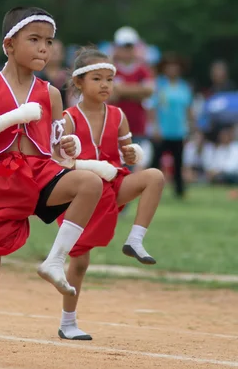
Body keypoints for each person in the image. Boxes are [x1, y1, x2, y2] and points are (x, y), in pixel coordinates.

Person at [0, 6, 104, 363]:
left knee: (89, 183)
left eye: (48, 42)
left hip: (39, 173)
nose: (43, 48)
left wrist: (69, 146)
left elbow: (55, 146)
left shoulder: (50, 93)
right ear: (9, 44)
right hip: (1, 178)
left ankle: (54, 261)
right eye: (34, 39)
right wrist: (13, 117)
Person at [55, 47, 164, 341]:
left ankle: (135, 240)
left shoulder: (118, 115)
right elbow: (58, 162)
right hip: (82, 194)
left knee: (154, 176)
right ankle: (68, 322)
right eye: (97, 79)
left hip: (113, 185)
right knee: (79, 263)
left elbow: (127, 157)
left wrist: (132, 153)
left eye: (110, 79)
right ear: (78, 82)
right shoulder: (68, 118)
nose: (105, 85)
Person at [150, 53, 193, 198]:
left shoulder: (184, 86)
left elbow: (188, 108)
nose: (172, 71)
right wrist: (155, 127)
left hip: (178, 131)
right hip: (162, 130)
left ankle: (179, 191)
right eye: (169, 68)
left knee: (178, 163)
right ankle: (149, 187)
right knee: (155, 162)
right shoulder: (159, 85)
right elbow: (153, 107)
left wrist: (191, 127)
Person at [111, 27, 154, 145]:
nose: (127, 51)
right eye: (123, 47)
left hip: (138, 127)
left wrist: (122, 90)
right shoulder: (110, 69)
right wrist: (139, 91)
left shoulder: (143, 70)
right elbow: (112, 93)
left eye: (129, 47)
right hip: (115, 127)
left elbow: (150, 90)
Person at [40, 39, 68, 106]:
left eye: (58, 51)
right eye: (52, 51)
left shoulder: (68, 77)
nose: (55, 53)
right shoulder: (37, 76)